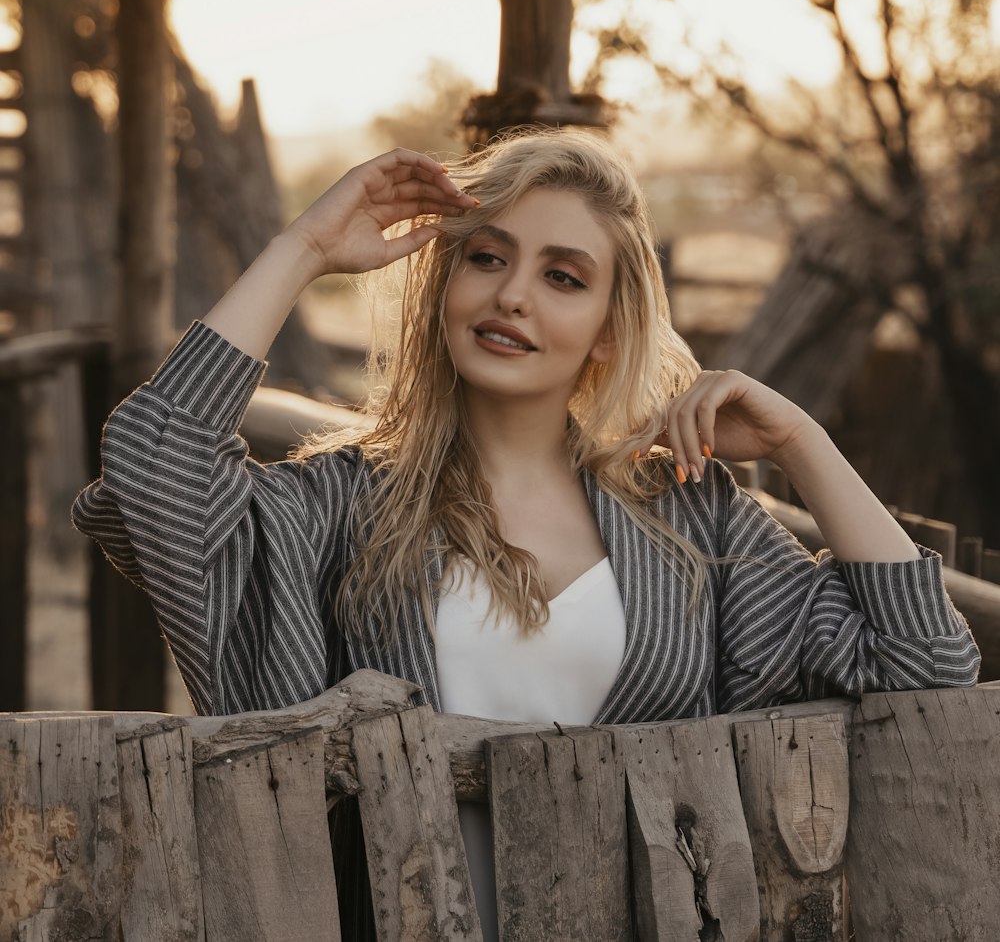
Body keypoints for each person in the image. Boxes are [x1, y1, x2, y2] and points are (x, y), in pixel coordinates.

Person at [73, 130, 980, 940]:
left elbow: (928, 663)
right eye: (487, 258)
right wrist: (304, 247)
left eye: (562, 276)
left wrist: (800, 442)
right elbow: (154, 466)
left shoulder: (689, 521)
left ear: (604, 328)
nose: (512, 296)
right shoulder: (344, 505)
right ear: (444, 284)